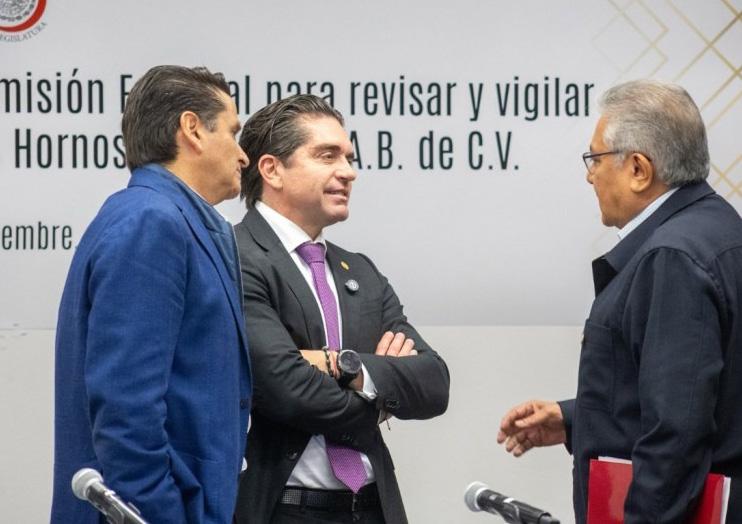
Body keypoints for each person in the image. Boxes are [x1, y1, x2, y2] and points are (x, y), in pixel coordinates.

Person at [497, 80, 742, 522]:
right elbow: (702, 396)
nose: (589, 175)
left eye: (595, 159)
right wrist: (576, 419)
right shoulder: (720, 228)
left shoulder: (672, 258)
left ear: (638, 169)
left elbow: (675, 437)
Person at [232, 94, 450, 524]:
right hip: (285, 511)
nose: (349, 171)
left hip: (372, 509)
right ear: (272, 169)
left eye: (348, 158)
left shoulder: (360, 271)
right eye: (327, 155)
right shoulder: (236, 257)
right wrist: (379, 396)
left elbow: (434, 383)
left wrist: (348, 369)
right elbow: (287, 389)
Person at [51, 65, 252, 524]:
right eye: (233, 132)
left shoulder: (169, 219)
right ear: (192, 129)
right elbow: (127, 409)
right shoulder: (151, 222)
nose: (242, 155)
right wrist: (160, 514)